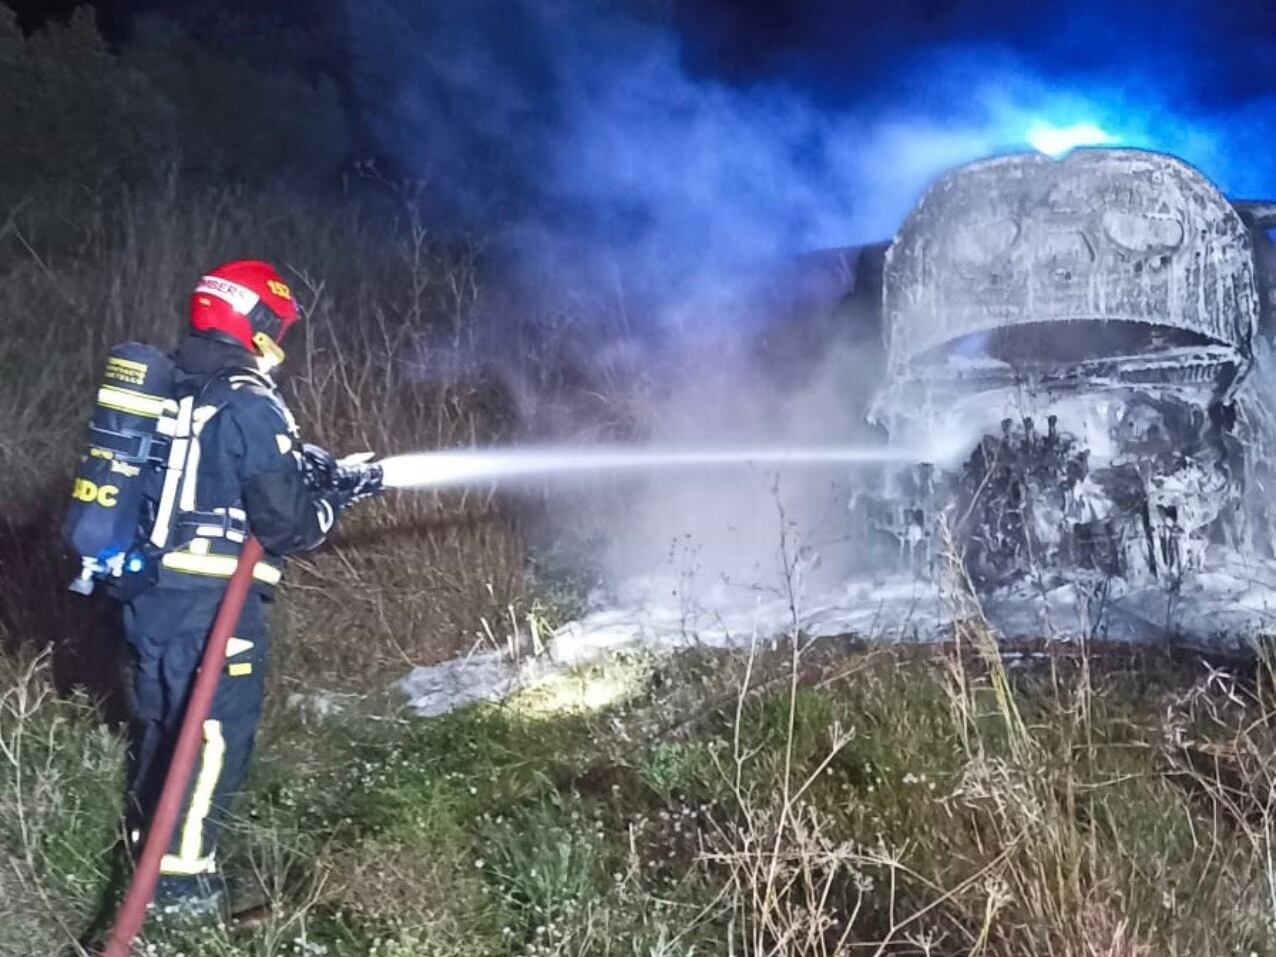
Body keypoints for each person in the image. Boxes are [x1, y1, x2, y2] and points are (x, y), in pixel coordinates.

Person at [122, 260, 380, 915]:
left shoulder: (175, 384)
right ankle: (180, 884)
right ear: (255, 320)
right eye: (277, 325)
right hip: (212, 603)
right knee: (212, 733)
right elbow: (289, 523)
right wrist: (335, 502)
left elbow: (221, 476)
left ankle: (144, 852)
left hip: (151, 596)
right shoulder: (249, 398)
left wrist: (324, 473)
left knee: (163, 725)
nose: (279, 340)